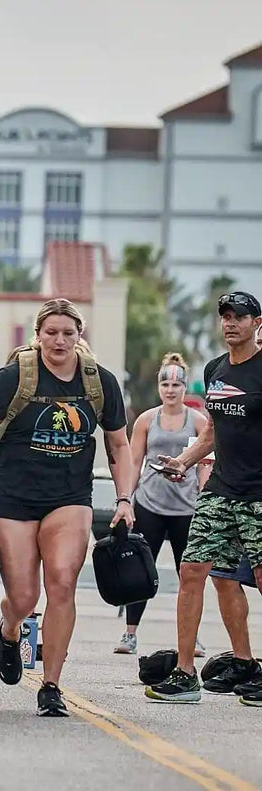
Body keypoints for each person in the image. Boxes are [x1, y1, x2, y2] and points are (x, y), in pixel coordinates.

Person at [0, 298, 135, 716]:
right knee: (23, 595)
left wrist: (125, 498)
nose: (59, 340)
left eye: (68, 333)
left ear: (80, 336)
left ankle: (51, 685)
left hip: (69, 497)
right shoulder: (15, 377)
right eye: (51, 332)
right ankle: (9, 629)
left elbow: (119, 444)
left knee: (61, 582)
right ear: (37, 334)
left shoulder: (100, 383)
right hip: (14, 497)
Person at [146, 290, 262, 704]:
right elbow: (212, 432)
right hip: (220, 491)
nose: (231, 323)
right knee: (196, 572)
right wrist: (183, 461)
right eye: (226, 317)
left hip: (258, 497)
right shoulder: (216, 369)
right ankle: (186, 673)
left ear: (257, 324)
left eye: (240, 317)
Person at [114, 353, 211, 655]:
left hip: (186, 508)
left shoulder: (197, 421)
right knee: (140, 571)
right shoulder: (146, 419)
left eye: (176, 384)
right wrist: (126, 501)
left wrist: (204, 497)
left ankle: (191, 637)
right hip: (150, 504)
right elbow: (133, 461)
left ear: (185, 388)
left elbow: (206, 464)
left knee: (190, 575)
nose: (170, 389)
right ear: (159, 387)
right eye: (165, 384)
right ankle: (130, 634)